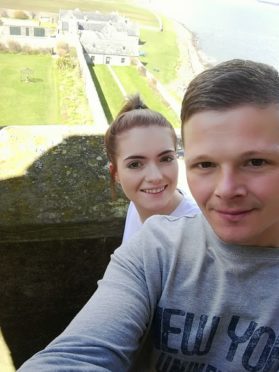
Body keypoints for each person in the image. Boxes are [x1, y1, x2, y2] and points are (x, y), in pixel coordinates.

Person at [18, 59, 279, 371]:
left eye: (255, 162)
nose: (226, 189)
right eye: (205, 165)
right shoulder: (154, 247)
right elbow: (74, 355)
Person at [104, 94, 199, 241]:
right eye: (135, 164)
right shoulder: (137, 204)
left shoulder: (198, 232)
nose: (155, 177)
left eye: (166, 159)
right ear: (115, 173)